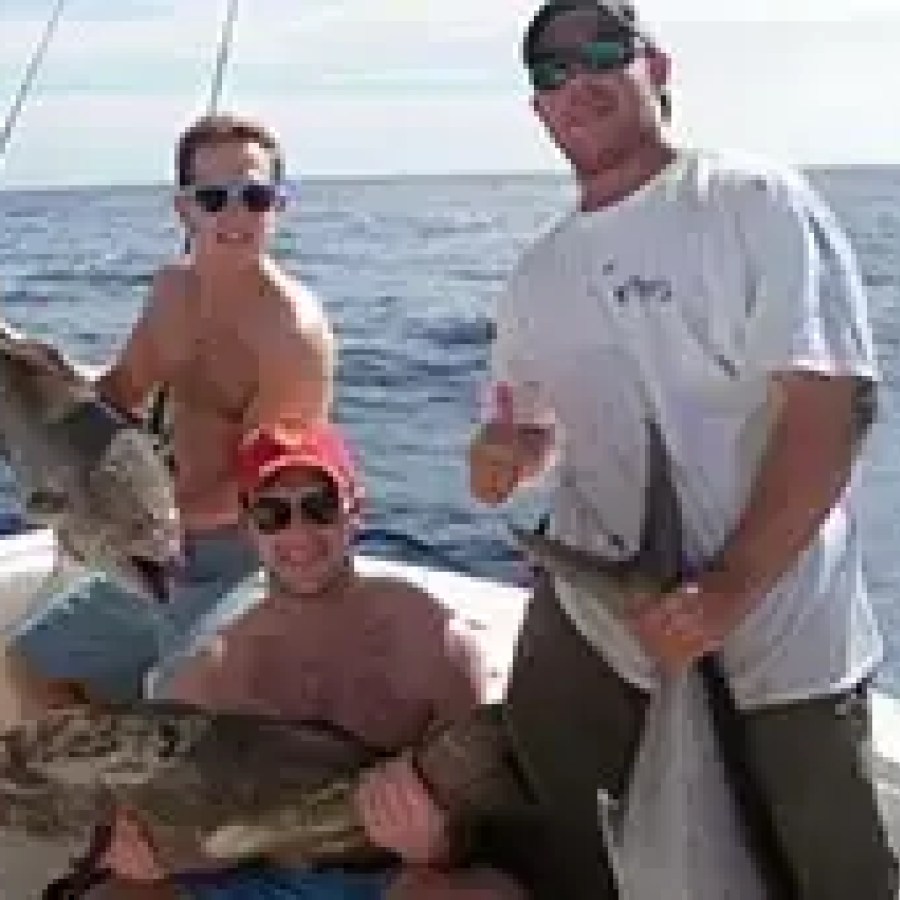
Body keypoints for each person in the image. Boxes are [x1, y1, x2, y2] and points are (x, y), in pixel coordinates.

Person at [468, 2, 900, 897]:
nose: (574, 83)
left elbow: (832, 406)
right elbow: (540, 424)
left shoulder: (750, 202)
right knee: (576, 850)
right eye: (549, 74)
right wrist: (510, 454)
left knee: (837, 879)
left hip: (776, 632)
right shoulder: (538, 274)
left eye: (599, 54)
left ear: (656, 67)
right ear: (538, 110)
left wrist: (728, 588)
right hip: (595, 632)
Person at [97, 421, 525, 900]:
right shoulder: (212, 668)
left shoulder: (433, 640)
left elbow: (487, 820)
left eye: (319, 508)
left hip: (384, 876)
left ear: (355, 510)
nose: (299, 532)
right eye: (273, 513)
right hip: (245, 877)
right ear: (246, 525)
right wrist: (136, 856)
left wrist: (441, 845)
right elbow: (156, 811)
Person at [3, 111, 337, 709]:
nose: (235, 216)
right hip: (150, 544)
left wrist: (111, 517)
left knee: (174, 712)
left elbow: (265, 494)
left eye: (254, 197)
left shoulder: (293, 335)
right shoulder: (171, 293)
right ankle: (94, 790)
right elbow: (118, 395)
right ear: (184, 209)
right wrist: (30, 372)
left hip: (247, 563)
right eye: (214, 198)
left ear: (279, 205)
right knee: (27, 664)